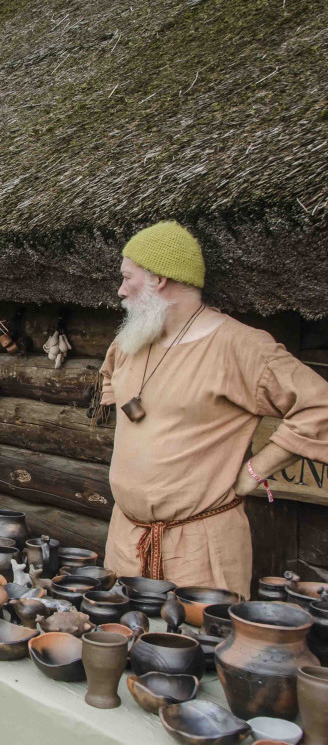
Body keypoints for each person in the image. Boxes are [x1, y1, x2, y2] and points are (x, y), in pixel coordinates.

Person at [100, 221, 328, 596]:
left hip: (200, 551)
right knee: (123, 646)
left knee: (197, 652)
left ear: (159, 279)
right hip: (124, 541)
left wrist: (254, 472)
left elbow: (318, 407)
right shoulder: (130, 341)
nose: (120, 290)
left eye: (127, 278)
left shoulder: (240, 346)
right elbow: (112, 379)